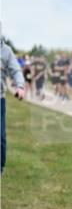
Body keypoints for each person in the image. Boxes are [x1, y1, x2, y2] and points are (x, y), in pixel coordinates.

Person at [1, 41, 27, 174]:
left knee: (1, 136)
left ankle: (1, 165)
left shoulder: (6, 51)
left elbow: (16, 70)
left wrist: (20, 86)